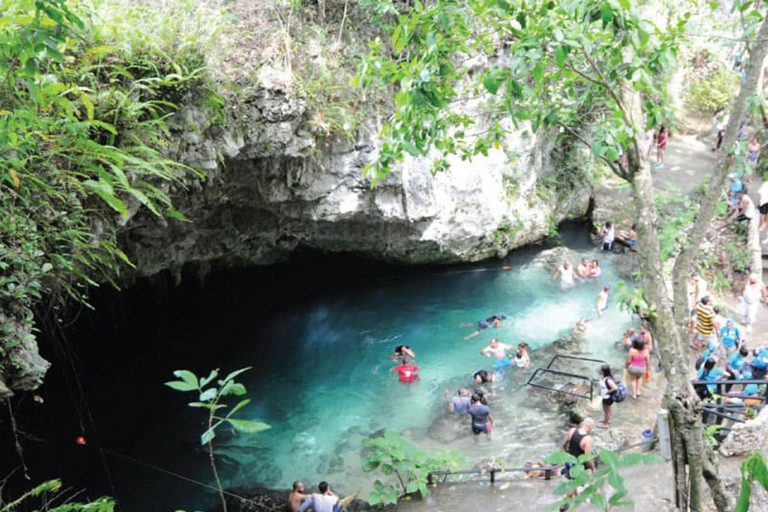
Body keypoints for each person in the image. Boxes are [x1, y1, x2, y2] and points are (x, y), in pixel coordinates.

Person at [560, 419, 595, 511]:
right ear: (589, 426)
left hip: (568, 461)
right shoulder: (587, 439)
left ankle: (576, 495)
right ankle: (565, 505)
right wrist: (592, 468)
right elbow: (588, 458)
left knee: (572, 480)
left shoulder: (572, 431)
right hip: (577, 466)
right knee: (573, 483)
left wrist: (567, 452)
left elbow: (564, 443)